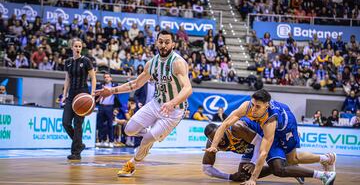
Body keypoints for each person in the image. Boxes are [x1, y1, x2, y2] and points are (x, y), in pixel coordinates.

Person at [95, 30, 192, 177]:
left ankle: (132, 164)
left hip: (174, 110)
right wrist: (111, 90)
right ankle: (152, 135)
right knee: (129, 130)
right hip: (156, 103)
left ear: (173, 44)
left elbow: (188, 88)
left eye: (167, 42)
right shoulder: (151, 64)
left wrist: (172, 103)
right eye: (161, 42)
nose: (164, 45)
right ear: (156, 42)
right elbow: (135, 84)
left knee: (146, 140)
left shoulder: (177, 63)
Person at [206, 89, 336, 185]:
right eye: (253, 105)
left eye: (258, 107)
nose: (254, 109)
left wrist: (253, 179)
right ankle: (311, 166)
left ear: (266, 106)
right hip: (261, 127)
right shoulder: (247, 106)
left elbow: (263, 153)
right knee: (277, 166)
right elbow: (224, 124)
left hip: (285, 127)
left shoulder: (270, 121)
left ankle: (325, 159)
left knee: (292, 160)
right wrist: (213, 146)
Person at [202, 118, 304, 184]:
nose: (221, 141)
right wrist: (230, 176)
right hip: (249, 148)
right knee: (244, 175)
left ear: (222, 130)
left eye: (219, 136)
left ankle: (286, 160)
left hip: (261, 137)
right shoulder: (211, 145)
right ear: (210, 140)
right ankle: (286, 164)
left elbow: (259, 141)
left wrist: (254, 163)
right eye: (214, 138)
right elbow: (207, 169)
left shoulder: (234, 129)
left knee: (278, 168)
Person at [61, 38, 96, 160]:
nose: (78, 48)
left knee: (78, 124)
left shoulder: (86, 61)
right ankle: (79, 144)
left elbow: (93, 78)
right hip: (71, 95)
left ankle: (76, 152)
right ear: (71, 47)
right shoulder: (68, 62)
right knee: (65, 122)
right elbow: (67, 80)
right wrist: (64, 95)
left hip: (83, 94)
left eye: (80, 46)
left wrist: (92, 94)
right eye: (76, 46)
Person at [96, 72, 120, 148]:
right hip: (101, 106)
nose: (106, 78)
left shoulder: (114, 85)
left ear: (111, 78)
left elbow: (117, 97)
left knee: (110, 125)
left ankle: (111, 141)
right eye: (105, 77)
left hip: (110, 107)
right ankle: (101, 140)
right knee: (100, 125)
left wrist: (116, 108)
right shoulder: (100, 85)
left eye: (108, 77)